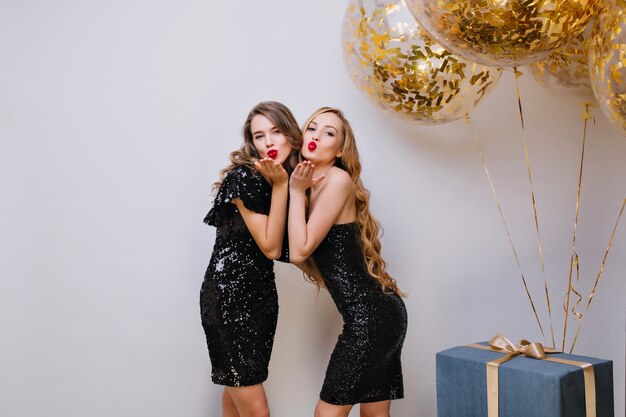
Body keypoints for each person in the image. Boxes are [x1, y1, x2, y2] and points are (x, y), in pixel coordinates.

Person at [288, 107, 407, 417]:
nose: (316, 136)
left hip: (369, 319)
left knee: (326, 415)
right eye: (312, 128)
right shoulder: (307, 183)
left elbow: (299, 251)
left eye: (329, 132)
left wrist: (296, 191)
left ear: (339, 149)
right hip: (381, 314)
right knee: (374, 415)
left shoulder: (337, 181)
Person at [200, 101, 301, 417]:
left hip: (260, 298)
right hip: (229, 298)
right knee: (257, 410)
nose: (269, 142)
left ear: (291, 136)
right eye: (259, 136)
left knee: (235, 398)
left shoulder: (278, 179)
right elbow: (271, 247)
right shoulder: (245, 177)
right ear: (252, 142)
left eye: (276, 131)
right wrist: (283, 185)